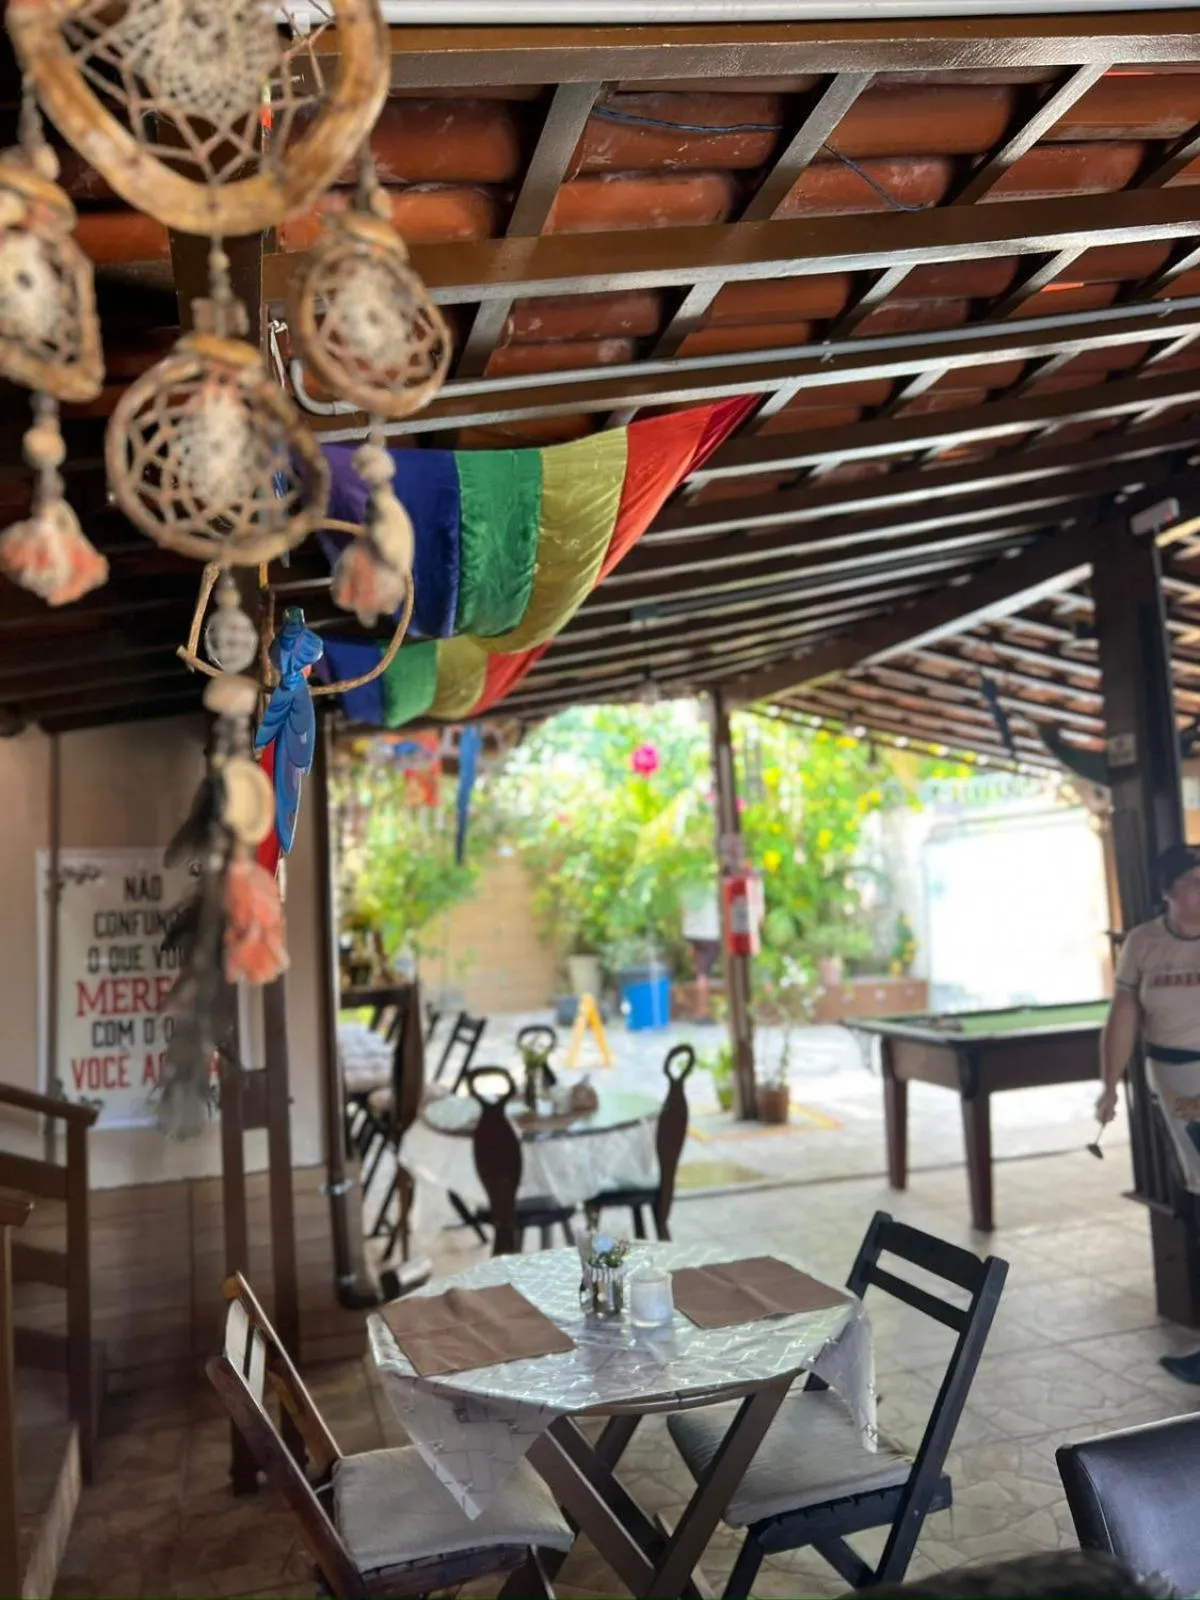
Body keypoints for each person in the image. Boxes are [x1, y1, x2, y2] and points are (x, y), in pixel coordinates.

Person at [1097, 841, 1200, 1384]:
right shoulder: (1144, 943)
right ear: (1168, 890)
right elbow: (1123, 1017)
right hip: (1175, 1080)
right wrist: (1109, 1086)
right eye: (1195, 882)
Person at [680, 880, 721, 1023]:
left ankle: (699, 1011)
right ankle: (702, 1012)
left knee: (699, 971)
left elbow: (683, 908)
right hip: (709, 933)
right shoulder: (711, 884)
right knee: (704, 974)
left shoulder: (687, 884)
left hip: (691, 932)